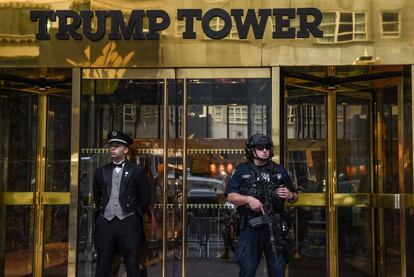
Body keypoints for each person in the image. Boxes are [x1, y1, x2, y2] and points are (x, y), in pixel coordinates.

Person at [226, 134, 298, 277]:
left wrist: (290, 195)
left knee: (278, 269)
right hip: (250, 227)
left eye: (267, 147)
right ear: (252, 150)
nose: (264, 150)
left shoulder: (279, 170)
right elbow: (230, 196)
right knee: (248, 268)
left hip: (275, 226)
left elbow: (295, 196)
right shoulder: (241, 170)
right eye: (260, 147)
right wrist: (248, 199)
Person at [93, 130, 150, 277]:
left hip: (128, 223)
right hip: (105, 223)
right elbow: (97, 196)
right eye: (111, 145)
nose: (112, 148)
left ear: (125, 150)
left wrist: (134, 215)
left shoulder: (137, 171)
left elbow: (145, 199)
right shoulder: (100, 171)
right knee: (103, 265)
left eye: (117, 146)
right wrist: (102, 217)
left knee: (132, 265)